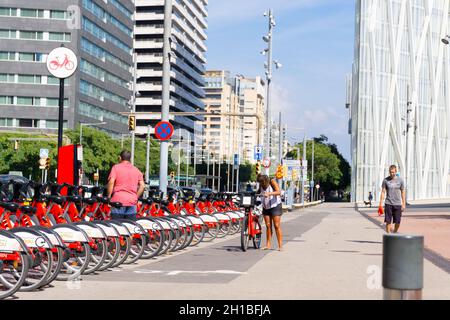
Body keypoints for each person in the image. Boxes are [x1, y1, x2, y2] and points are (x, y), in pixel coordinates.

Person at [107, 150, 145, 220]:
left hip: (118, 200)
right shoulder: (136, 169)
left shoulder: (116, 167)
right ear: (129, 159)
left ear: (120, 158)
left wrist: (109, 196)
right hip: (132, 202)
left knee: (117, 227)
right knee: (130, 228)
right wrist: (136, 197)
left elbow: (111, 182)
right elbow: (142, 185)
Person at [257, 174, 283, 251]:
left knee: (276, 225)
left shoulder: (272, 181)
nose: (261, 184)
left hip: (275, 206)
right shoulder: (261, 185)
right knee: (268, 226)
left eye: (261, 183)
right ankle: (268, 245)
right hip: (266, 207)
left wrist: (269, 194)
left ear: (265, 181)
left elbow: (279, 192)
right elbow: (259, 192)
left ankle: (280, 245)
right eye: (260, 183)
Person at [378, 165, 406, 234]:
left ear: (396, 172)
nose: (392, 174)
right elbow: (383, 192)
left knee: (398, 222)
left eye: (393, 172)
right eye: (390, 172)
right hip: (388, 203)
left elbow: (403, 192)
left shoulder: (400, 180)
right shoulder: (385, 180)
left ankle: (394, 233)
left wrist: (403, 204)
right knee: (388, 221)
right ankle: (388, 235)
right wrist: (380, 204)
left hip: (397, 204)